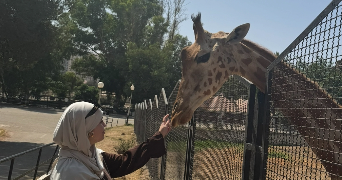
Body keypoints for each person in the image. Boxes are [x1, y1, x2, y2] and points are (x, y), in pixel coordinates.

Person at [50, 101, 171, 180]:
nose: (104, 124)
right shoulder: (70, 173)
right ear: (87, 130)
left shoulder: (92, 156)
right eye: (99, 121)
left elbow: (125, 161)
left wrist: (160, 134)